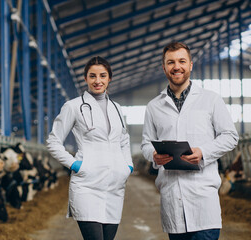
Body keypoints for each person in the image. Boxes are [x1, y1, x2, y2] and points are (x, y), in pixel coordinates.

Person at [141, 42, 239, 240]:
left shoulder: (210, 100)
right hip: (171, 199)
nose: (176, 66)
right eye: (171, 62)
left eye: (181, 61)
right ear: (164, 67)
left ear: (191, 65)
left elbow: (230, 136)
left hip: (203, 198)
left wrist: (203, 152)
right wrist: (153, 155)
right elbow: (146, 143)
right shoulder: (154, 106)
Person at [47, 56, 133, 240]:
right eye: (92, 76)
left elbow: (124, 140)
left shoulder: (116, 108)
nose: (97, 81)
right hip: (87, 186)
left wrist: (128, 166)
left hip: (114, 188)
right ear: (85, 78)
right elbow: (53, 142)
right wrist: (76, 165)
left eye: (102, 75)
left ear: (109, 78)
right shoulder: (73, 106)